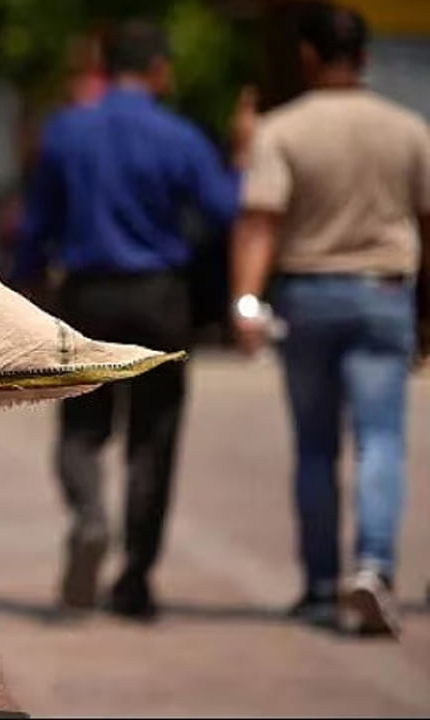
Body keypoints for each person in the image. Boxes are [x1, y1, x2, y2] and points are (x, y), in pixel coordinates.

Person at [12, 20, 253, 619]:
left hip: (87, 294)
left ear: (103, 62)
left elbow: (35, 224)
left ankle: (90, 516)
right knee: (154, 438)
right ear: (159, 70)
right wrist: (243, 157)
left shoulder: (66, 130)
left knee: (80, 429)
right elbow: (227, 210)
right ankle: (135, 579)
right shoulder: (179, 136)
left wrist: (25, 284)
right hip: (160, 296)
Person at [230, 2, 430, 637]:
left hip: (309, 298)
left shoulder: (282, 131)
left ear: (309, 56)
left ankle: (319, 587)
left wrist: (246, 302)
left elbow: (261, 220)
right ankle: (373, 566)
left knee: (315, 446)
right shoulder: (408, 129)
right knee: (382, 439)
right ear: (365, 57)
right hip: (385, 294)